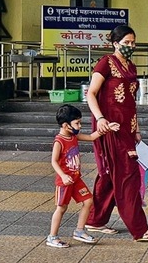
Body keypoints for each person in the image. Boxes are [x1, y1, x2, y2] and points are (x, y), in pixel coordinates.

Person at [85, 25, 148, 242]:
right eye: (126, 42)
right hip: (110, 127)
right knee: (128, 174)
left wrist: (136, 128)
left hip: (127, 128)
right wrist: (101, 119)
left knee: (110, 174)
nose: (130, 46)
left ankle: (95, 221)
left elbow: (131, 103)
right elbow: (91, 93)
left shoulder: (131, 67)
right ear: (115, 43)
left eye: (133, 42)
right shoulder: (106, 63)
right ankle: (140, 229)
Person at [47, 104, 120, 248]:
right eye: (77, 123)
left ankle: (79, 231)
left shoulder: (74, 136)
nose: (79, 126)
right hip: (65, 182)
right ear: (66, 125)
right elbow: (54, 161)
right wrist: (62, 176)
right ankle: (52, 236)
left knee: (88, 201)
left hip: (76, 179)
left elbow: (92, 137)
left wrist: (107, 128)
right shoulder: (59, 141)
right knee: (61, 208)